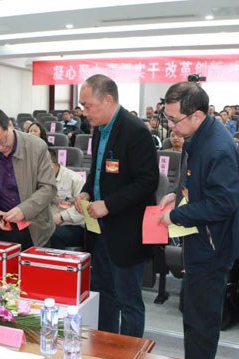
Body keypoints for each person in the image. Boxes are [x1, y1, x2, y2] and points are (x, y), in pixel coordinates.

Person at [158, 81, 239, 359]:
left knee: (201, 325)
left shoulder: (218, 147)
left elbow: (224, 203)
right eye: (167, 118)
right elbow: (192, 177)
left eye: (174, 119)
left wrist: (176, 215)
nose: (170, 126)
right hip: (198, 239)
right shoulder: (196, 135)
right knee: (192, 317)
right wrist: (176, 194)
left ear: (196, 115)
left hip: (212, 249)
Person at [74, 74, 159, 338]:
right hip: (101, 229)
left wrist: (108, 205)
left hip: (127, 231)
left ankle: (130, 355)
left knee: (129, 301)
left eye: (88, 106)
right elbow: (97, 171)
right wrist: (86, 191)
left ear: (108, 100)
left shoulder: (136, 131)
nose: (84, 112)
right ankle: (106, 347)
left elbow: (148, 182)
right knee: (103, 294)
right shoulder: (99, 128)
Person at [0, 107, 56, 249]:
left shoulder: (36, 146)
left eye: (2, 141)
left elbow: (48, 187)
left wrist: (23, 210)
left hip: (35, 228)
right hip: (0, 227)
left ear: (10, 125)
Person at [48, 148, 85, 250]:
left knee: (53, 234)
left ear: (51, 164)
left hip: (73, 225)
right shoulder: (40, 178)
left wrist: (62, 217)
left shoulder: (75, 179)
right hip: (49, 222)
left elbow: (83, 210)